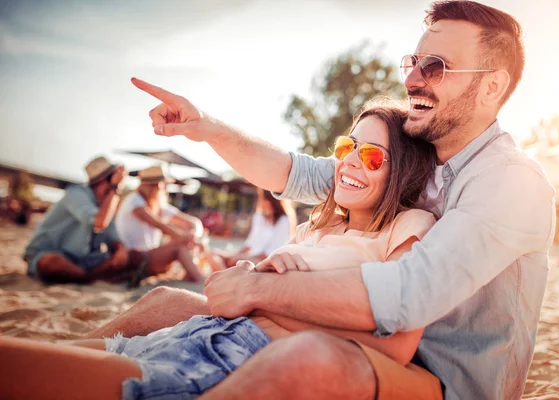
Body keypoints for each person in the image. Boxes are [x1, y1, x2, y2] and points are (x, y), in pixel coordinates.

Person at [79, 2, 555, 399]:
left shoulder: (511, 182)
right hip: (369, 343)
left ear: (492, 86)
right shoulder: (422, 163)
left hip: (444, 383)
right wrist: (208, 128)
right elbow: (299, 173)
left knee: (306, 357)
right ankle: (59, 355)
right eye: (413, 63)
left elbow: (411, 293)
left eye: (435, 67)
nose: (413, 80)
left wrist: (257, 291)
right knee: (164, 303)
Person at [0, 104, 442, 400]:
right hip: (202, 332)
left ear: (402, 171)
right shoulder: (319, 226)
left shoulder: (408, 227)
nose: (347, 162)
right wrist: (255, 273)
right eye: (347, 148)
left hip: (226, 355)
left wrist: (262, 296)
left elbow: (395, 342)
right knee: (50, 354)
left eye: (372, 157)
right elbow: (245, 288)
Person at [22, 156, 136, 283]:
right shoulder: (76, 193)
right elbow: (100, 222)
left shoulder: (106, 204)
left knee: (134, 256)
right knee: (54, 262)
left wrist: (121, 250)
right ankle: (91, 278)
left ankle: (86, 277)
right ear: (105, 181)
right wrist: (115, 189)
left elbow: (113, 237)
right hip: (48, 253)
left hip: (84, 260)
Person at [115, 164, 205, 283]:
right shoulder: (135, 200)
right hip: (135, 257)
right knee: (180, 246)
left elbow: (193, 222)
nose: (165, 189)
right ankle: (200, 280)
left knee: (183, 243)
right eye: (164, 185)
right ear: (157, 186)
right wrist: (187, 238)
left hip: (148, 256)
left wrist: (194, 236)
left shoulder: (156, 204)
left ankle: (195, 277)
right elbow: (158, 224)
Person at [202, 189, 292, 269]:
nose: (261, 201)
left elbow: (274, 250)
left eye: (264, 198)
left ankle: (225, 274)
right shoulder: (259, 216)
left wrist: (245, 257)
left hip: (267, 260)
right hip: (250, 256)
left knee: (235, 261)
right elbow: (250, 243)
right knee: (211, 253)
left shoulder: (283, 220)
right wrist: (236, 254)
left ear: (273, 200)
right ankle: (226, 273)